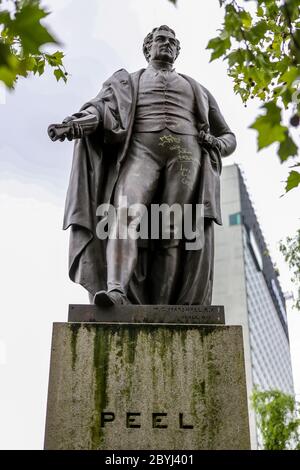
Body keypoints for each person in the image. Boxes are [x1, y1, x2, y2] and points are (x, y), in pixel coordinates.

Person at [48, 25, 236, 307]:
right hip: (140, 152)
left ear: (178, 50)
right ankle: (116, 291)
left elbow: (229, 136)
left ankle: (164, 308)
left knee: (172, 229)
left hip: (186, 157)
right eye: (161, 40)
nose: (167, 44)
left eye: (173, 41)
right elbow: (101, 110)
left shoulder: (197, 89)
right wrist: (76, 125)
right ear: (147, 47)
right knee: (123, 216)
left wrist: (218, 145)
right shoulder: (127, 83)